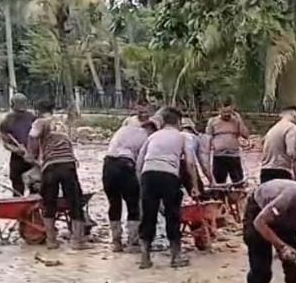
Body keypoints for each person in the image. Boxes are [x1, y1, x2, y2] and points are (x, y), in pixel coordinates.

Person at [135, 107, 199, 268]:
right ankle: (175, 257)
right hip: (169, 175)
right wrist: (194, 186)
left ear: (162, 121)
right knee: (172, 215)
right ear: (178, 122)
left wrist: (141, 183)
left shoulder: (153, 136)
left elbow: (139, 162)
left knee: (148, 215)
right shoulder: (183, 136)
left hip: (148, 174)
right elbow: (190, 162)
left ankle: (145, 258)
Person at [28, 99, 89, 250]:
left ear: (37, 111)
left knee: (49, 203)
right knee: (75, 202)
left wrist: (31, 155)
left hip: (51, 165)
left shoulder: (40, 122)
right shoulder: (61, 121)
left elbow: (33, 138)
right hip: (68, 164)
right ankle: (77, 241)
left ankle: (51, 241)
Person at [103, 119, 156, 252]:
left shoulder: (122, 131)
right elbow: (141, 162)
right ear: (151, 129)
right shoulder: (147, 137)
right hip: (126, 165)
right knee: (133, 205)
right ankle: (133, 242)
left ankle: (116, 242)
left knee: (114, 203)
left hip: (108, 165)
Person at [0, 93, 37, 196]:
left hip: (32, 156)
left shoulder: (33, 118)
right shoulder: (7, 121)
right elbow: (6, 142)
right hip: (18, 156)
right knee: (17, 184)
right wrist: (17, 150)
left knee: (34, 185)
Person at [205, 98, 249, 184]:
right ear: (219, 110)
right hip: (219, 156)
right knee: (219, 183)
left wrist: (239, 119)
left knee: (238, 182)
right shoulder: (213, 121)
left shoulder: (236, 121)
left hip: (234, 156)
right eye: (224, 112)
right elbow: (207, 139)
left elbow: (246, 135)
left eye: (229, 112)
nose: (227, 114)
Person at [260, 106, 296, 183]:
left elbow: (262, 144)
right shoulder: (291, 127)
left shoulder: (273, 128)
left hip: (265, 170)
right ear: (293, 115)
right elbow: (291, 152)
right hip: (281, 171)